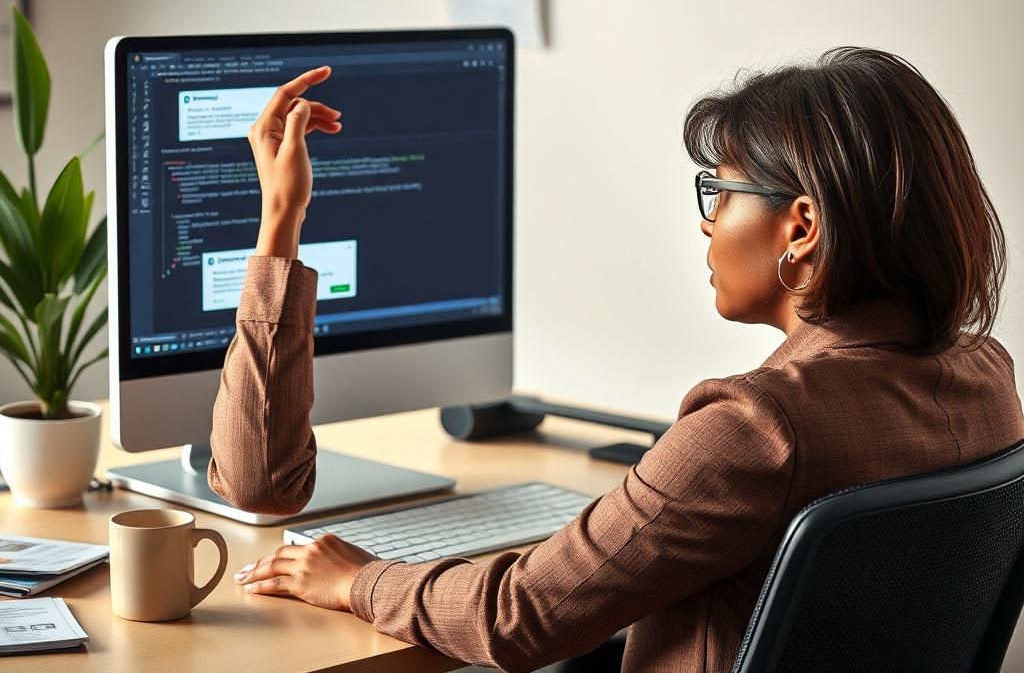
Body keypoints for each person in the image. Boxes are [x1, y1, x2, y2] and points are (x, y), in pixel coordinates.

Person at [207, 49, 1023, 673]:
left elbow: (519, 617)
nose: (708, 225)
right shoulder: (990, 379)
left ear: (800, 226)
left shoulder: (754, 429)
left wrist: (359, 579)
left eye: (721, 191)